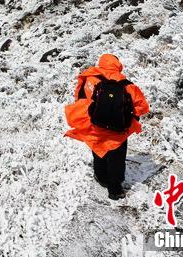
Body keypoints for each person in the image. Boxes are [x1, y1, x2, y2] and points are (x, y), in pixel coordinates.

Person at [64, 53, 149, 200]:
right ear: (118, 65)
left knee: (98, 150)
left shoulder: (89, 78)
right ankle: (115, 190)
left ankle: (101, 177)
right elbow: (142, 107)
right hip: (118, 131)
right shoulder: (126, 84)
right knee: (117, 158)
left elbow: (80, 97)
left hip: (95, 126)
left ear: (102, 63)